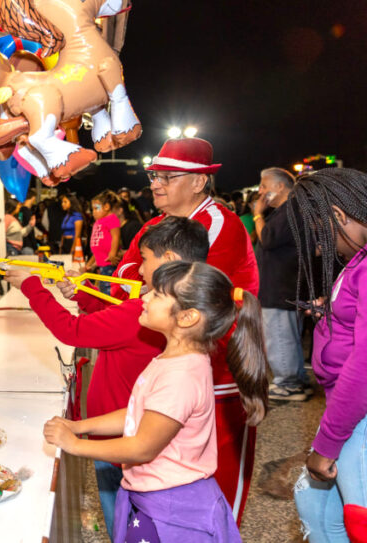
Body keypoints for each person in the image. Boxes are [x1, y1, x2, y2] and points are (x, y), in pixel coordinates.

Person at [5, 216, 210, 536]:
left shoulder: (144, 320)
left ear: (168, 260)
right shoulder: (172, 319)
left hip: (122, 447)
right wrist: (83, 296)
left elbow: (73, 330)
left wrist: (31, 286)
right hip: (120, 432)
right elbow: (115, 320)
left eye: (144, 260)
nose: (139, 271)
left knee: (124, 525)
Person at [43, 261, 268, 543]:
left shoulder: (181, 376)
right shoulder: (172, 360)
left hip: (168, 507)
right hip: (155, 496)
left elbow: (142, 446)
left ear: (187, 317)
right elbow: (138, 414)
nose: (144, 297)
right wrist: (78, 425)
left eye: (157, 294)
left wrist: (75, 444)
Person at [108, 137, 259, 522]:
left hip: (219, 369)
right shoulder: (157, 224)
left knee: (216, 486)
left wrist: (142, 280)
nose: (155, 183)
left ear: (198, 183)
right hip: (174, 362)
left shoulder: (219, 225)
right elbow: (123, 278)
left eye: (166, 176)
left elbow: (176, 292)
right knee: (166, 474)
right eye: (153, 175)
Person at [288, 168, 367, 542]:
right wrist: (332, 311)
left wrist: (328, 443)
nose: (320, 247)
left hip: (359, 420)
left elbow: (364, 366)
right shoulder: (359, 261)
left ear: (339, 216)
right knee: (316, 510)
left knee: (358, 523)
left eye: (321, 232)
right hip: (346, 413)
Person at [253, 167, 311, 402]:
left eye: (264, 186)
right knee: (288, 335)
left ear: (279, 186)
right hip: (285, 284)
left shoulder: (290, 210)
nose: (261, 191)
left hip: (280, 285)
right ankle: (296, 379)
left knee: (279, 334)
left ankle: (288, 383)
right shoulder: (290, 210)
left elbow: (267, 239)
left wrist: (258, 214)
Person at [86, 190, 122, 294]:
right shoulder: (98, 222)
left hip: (109, 262)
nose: (93, 212)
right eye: (92, 209)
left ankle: (109, 307)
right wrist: (89, 264)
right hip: (102, 264)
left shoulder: (111, 219)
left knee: (107, 289)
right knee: (102, 288)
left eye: (96, 208)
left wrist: (112, 253)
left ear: (106, 207)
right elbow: (98, 248)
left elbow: (116, 236)